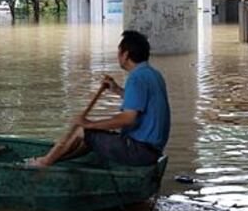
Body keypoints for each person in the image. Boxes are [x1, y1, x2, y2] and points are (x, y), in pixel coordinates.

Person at [29, 30, 170, 168]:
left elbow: (127, 119)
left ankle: (44, 163)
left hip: (139, 151)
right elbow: (139, 101)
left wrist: (89, 124)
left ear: (125, 54)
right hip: (151, 151)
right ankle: (58, 160)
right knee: (89, 137)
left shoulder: (136, 78)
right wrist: (116, 89)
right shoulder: (153, 74)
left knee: (82, 131)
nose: (118, 55)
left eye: (119, 51)